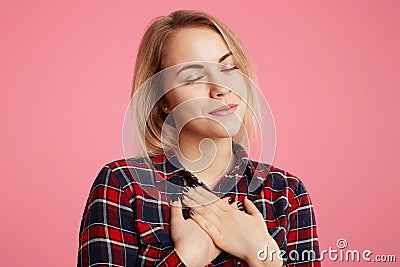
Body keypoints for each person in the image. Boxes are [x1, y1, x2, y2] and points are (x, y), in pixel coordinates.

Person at [77, 9, 321, 267]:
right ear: (162, 101)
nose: (221, 89)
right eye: (194, 77)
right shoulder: (124, 185)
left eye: (228, 68)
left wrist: (262, 255)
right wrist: (187, 257)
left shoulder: (285, 192)